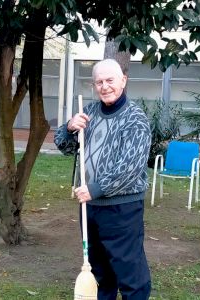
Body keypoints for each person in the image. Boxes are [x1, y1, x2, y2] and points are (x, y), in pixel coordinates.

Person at [55, 59, 152, 299]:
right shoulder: (87, 113)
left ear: (123, 80)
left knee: (130, 274)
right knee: (99, 275)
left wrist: (96, 188)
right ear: (94, 85)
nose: (105, 86)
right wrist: (69, 128)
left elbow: (130, 167)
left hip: (122, 209)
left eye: (110, 80)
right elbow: (64, 147)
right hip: (90, 207)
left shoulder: (135, 119)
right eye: (99, 82)